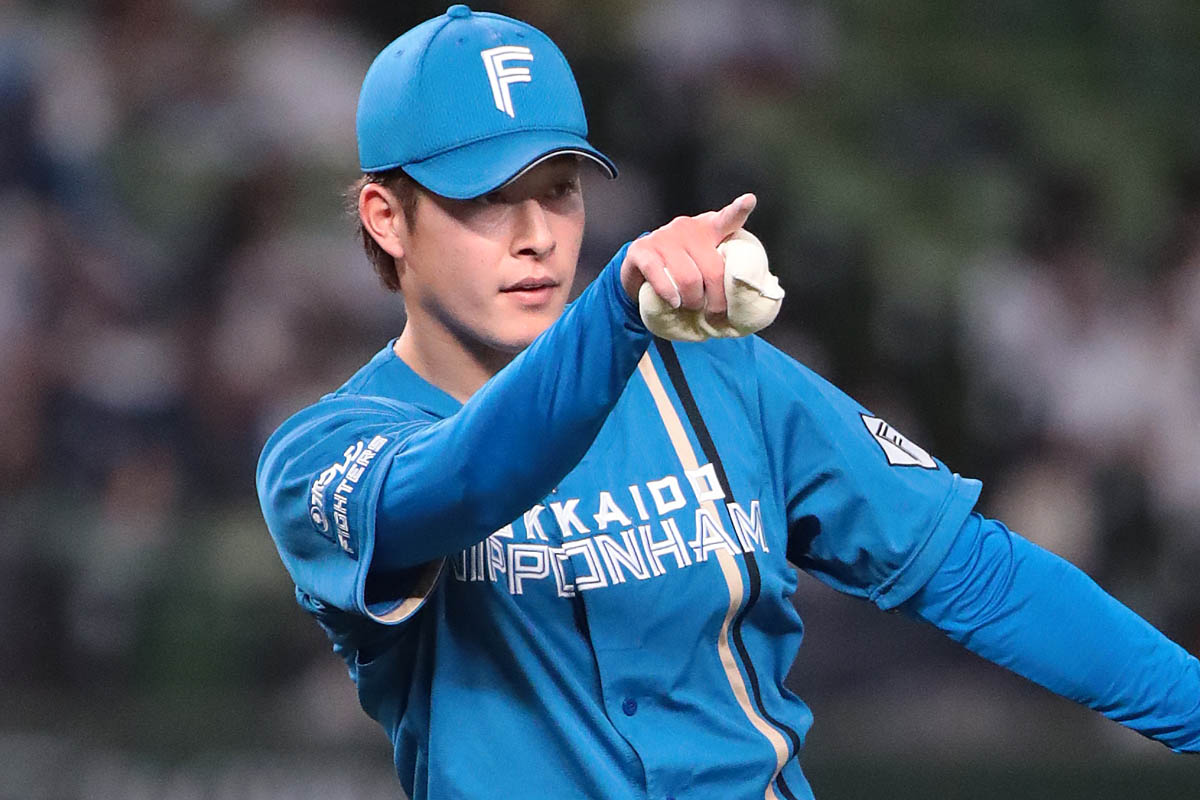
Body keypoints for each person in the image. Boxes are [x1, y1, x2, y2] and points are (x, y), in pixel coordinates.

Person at [255, 6, 1200, 799]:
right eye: (487, 198)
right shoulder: (321, 455)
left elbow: (970, 572)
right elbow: (468, 481)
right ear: (387, 217)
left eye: (560, 190)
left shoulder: (716, 372)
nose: (537, 235)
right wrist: (616, 312)